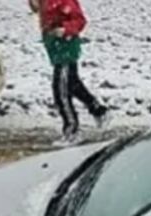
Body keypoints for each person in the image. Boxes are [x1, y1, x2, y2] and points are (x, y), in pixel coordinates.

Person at [29, 0, 108, 146]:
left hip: (66, 47)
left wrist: (64, 30)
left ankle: (72, 131)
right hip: (56, 49)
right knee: (72, 84)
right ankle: (99, 111)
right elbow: (39, 9)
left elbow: (80, 20)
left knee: (60, 91)